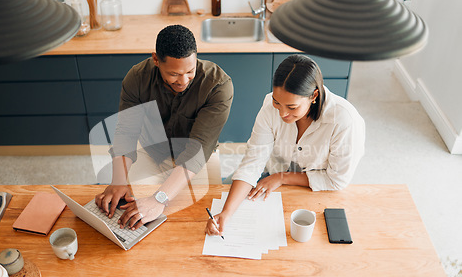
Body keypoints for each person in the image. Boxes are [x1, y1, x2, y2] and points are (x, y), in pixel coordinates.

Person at [205, 54, 365, 237]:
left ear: (314, 96)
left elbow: (337, 180)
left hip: (317, 186)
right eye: (276, 102)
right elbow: (252, 163)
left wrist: (282, 178)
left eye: (292, 107)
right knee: (221, 195)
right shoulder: (270, 107)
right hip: (267, 174)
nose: (282, 113)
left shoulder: (344, 121)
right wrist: (226, 213)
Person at [95, 24, 233, 231]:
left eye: (190, 71)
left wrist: (160, 198)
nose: (184, 80)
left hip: (198, 162)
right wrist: (118, 180)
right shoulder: (137, 78)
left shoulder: (218, 86)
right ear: (156, 60)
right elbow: (126, 132)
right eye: (174, 74)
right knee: (140, 222)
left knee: (202, 222)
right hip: (152, 154)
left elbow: (198, 149)